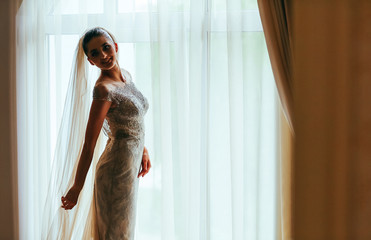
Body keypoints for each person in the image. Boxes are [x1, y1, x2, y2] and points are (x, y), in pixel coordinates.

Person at [44, 27, 151, 240]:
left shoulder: (126, 77)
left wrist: (143, 151)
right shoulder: (103, 89)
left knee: (124, 230)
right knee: (115, 234)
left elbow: (130, 122)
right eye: (94, 53)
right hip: (115, 171)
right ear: (90, 61)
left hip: (130, 167)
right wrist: (76, 187)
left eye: (105, 47)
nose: (103, 55)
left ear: (115, 46)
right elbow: (89, 144)